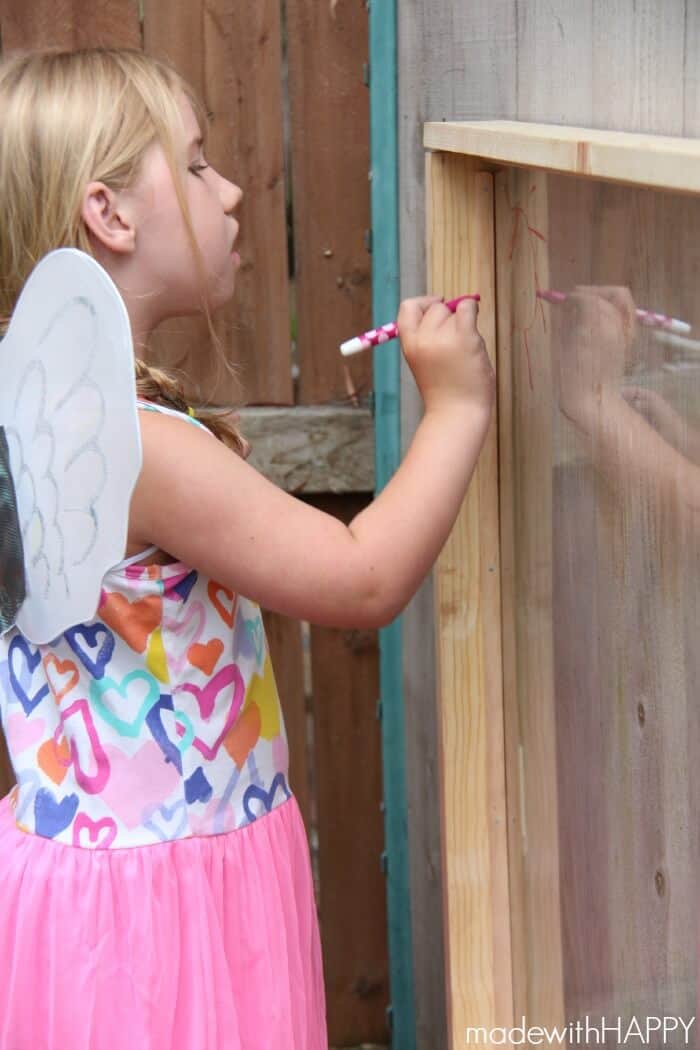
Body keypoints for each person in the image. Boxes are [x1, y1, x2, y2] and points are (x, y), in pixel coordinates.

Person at [0, 47, 495, 1050]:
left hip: (82, 886)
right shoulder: (135, 442)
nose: (228, 192)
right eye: (193, 164)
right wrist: (460, 407)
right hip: (167, 911)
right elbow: (358, 578)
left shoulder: (36, 410)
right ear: (111, 214)